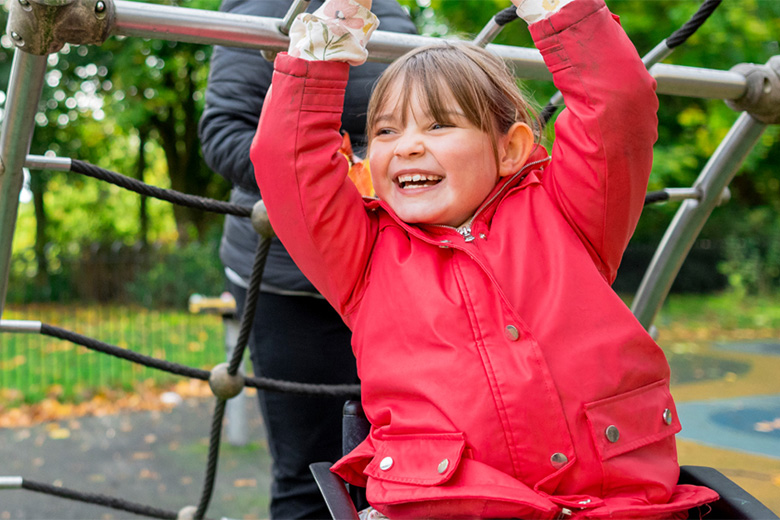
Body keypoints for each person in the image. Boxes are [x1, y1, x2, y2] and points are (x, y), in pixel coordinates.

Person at [251, 0, 720, 518]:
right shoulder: (362, 255)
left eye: (438, 127)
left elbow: (617, 106)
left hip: (613, 503)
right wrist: (336, 24)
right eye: (385, 131)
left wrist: (552, 8)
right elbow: (286, 159)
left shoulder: (568, 213)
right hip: (449, 506)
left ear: (510, 149)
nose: (406, 147)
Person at [198, 1, 417, 518]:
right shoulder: (262, 7)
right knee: (311, 472)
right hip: (290, 281)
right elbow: (223, 134)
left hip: (390, 268)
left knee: (405, 458)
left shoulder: (396, 11)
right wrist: (337, 178)